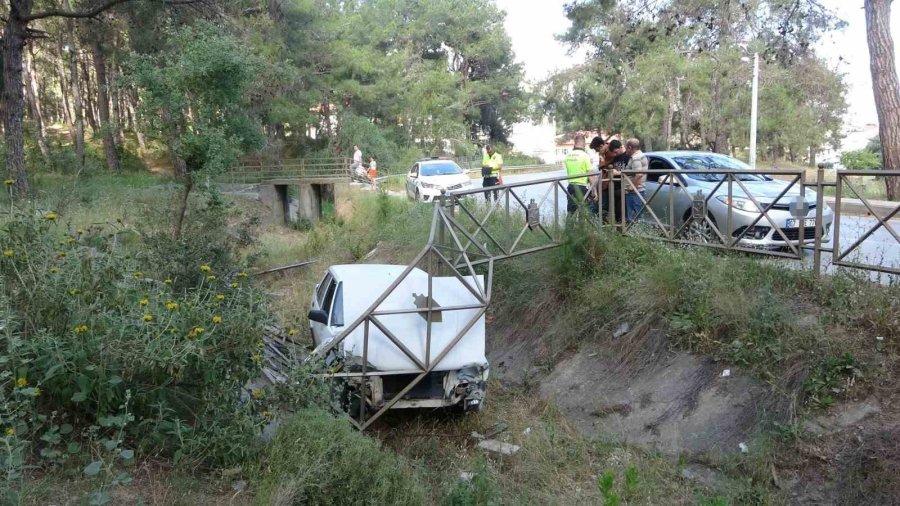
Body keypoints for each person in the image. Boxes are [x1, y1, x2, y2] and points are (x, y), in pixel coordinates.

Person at [563, 134, 593, 215]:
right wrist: (595, 191)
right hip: (582, 187)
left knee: (570, 212)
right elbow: (590, 174)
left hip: (571, 186)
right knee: (583, 212)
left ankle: (569, 227)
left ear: (574, 143)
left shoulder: (567, 156)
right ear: (584, 144)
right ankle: (582, 227)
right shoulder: (585, 156)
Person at [623, 139, 648, 222]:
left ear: (630, 147)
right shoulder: (641, 155)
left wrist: (631, 187)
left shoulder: (636, 157)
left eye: (626, 148)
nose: (625, 150)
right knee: (637, 217)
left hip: (634, 192)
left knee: (633, 218)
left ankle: (634, 234)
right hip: (637, 191)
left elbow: (639, 174)